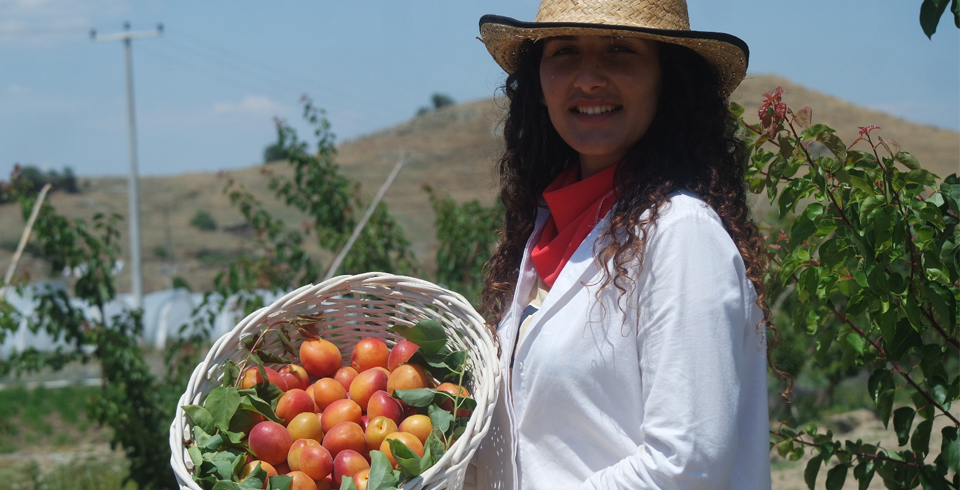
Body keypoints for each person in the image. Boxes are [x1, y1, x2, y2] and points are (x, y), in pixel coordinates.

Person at [466, 0, 785, 488]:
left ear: (668, 78)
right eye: (565, 51)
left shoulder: (682, 234)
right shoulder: (545, 234)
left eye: (620, 50)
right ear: (539, 84)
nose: (589, 78)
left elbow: (687, 465)